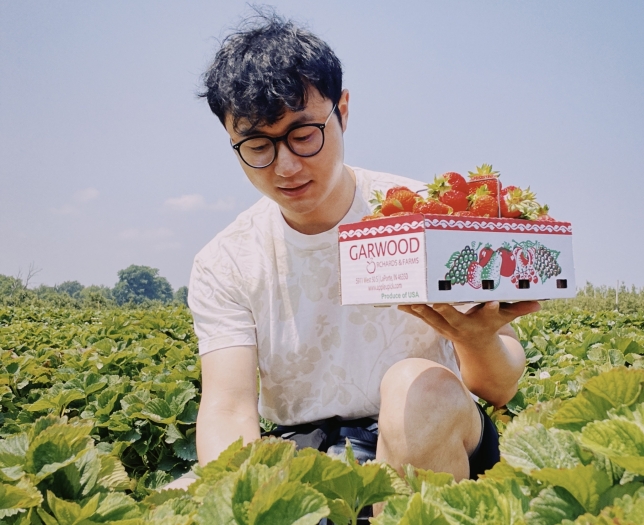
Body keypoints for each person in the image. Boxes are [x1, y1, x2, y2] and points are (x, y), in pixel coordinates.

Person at [171, 12, 539, 507]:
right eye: (258, 145)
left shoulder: (421, 211)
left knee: (417, 386)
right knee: (173, 500)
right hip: (302, 453)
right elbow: (228, 408)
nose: (286, 165)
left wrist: (475, 340)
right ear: (231, 140)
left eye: (303, 135)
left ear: (342, 110)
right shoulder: (226, 260)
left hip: (434, 436)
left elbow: (498, 388)